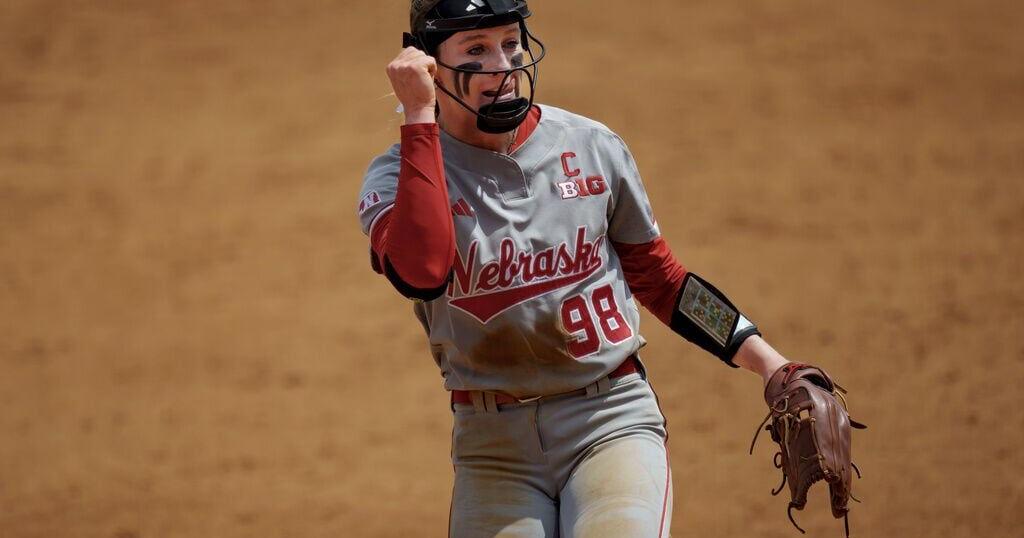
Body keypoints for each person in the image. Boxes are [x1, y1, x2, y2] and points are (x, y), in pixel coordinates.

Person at [357, 1, 797, 535]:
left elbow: (663, 280)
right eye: (476, 50)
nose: (504, 65)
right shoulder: (395, 178)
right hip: (491, 450)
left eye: (511, 42)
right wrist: (420, 118)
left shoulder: (591, 147)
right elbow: (422, 271)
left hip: (609, 421)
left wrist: (771, 364)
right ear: (426, 64)